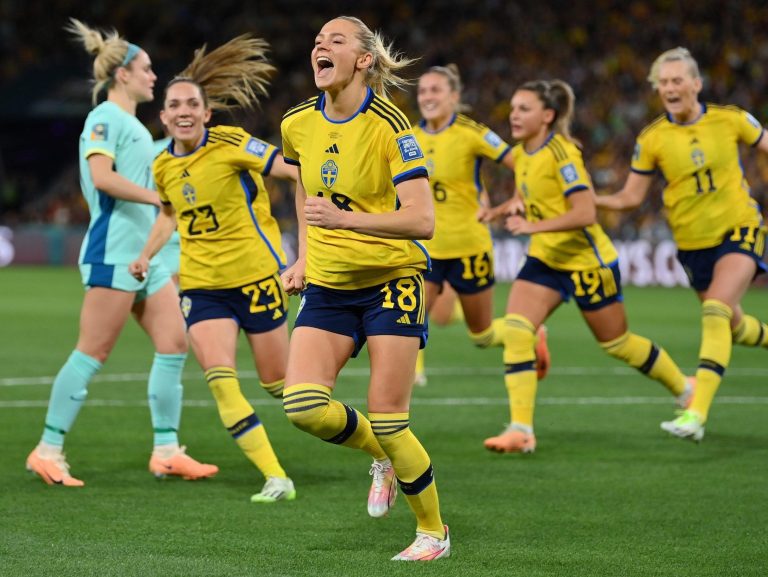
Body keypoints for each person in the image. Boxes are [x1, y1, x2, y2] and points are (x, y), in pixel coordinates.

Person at [280, 16, 449, 561]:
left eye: (335, 41)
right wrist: (303, 256)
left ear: (364, 61)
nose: (319, 47)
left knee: (390, 415)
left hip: (390, 281)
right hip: (328, 285)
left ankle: (433, 533)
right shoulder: (296, 124)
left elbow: (422, 220)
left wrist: (344, 222)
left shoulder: (391, 125)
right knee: (303, 406)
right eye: (316, 41)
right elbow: (305, 194)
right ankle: (384, 458)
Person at [26, 19, 218, 487]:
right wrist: (157, 199)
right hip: (113, 251)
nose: (155, 76)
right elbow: (101, 178)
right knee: (93, 352)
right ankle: (47, 450)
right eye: (147, 68)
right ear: (123, 75)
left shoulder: (131, 125)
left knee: (173, 344)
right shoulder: (104, 119)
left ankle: (167, 451)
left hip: (143, 258)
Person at [129, 35, 298, 503]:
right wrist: (147, 253)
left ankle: (368, 439)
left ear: (206, 113)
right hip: (203, 286)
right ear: (163, 117)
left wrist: (305, 252)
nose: (183, 111)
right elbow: (168, 214)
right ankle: (276, 477)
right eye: (174, 105)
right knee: (220, 380)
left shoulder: (231, 143)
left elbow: (293, 172)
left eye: (192, 104)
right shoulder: (162, 165)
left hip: (257, 277)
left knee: (282, 387)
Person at [484, 79, 694, 454]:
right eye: (513, 107)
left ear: (547, 116)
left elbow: (584, 212)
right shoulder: (523, 152)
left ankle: (685, 388)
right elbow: (526, 194)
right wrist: (504, 208)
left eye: (524, 108)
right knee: (516, 329)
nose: (514, 115)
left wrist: (532, 226)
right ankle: (521, 429)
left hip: (587, 263)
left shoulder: (563, 154)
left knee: (617, 344)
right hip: (546, 259)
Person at [595, 47, 768, 442]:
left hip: (740, 227)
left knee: (715, 310)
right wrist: (593, 198)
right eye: (662, 83)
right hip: (693, 245)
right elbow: (630, 198)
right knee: (734, 325)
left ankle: (696, 414)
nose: (669, 88)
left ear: (696, 84)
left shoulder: (731, 119)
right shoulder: (652, 138)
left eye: (676, 80)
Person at [412, 64, 550, 387]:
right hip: (426, 247)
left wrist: (518, 196)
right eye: (422, 91)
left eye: (435, 90)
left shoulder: (472, 133)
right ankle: (412, 373)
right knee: (411, 320)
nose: (427, 96)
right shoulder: (408, 137)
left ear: (454, 97)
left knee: (482, 334)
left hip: (469, 246)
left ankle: (530, 335)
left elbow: (525, 161)